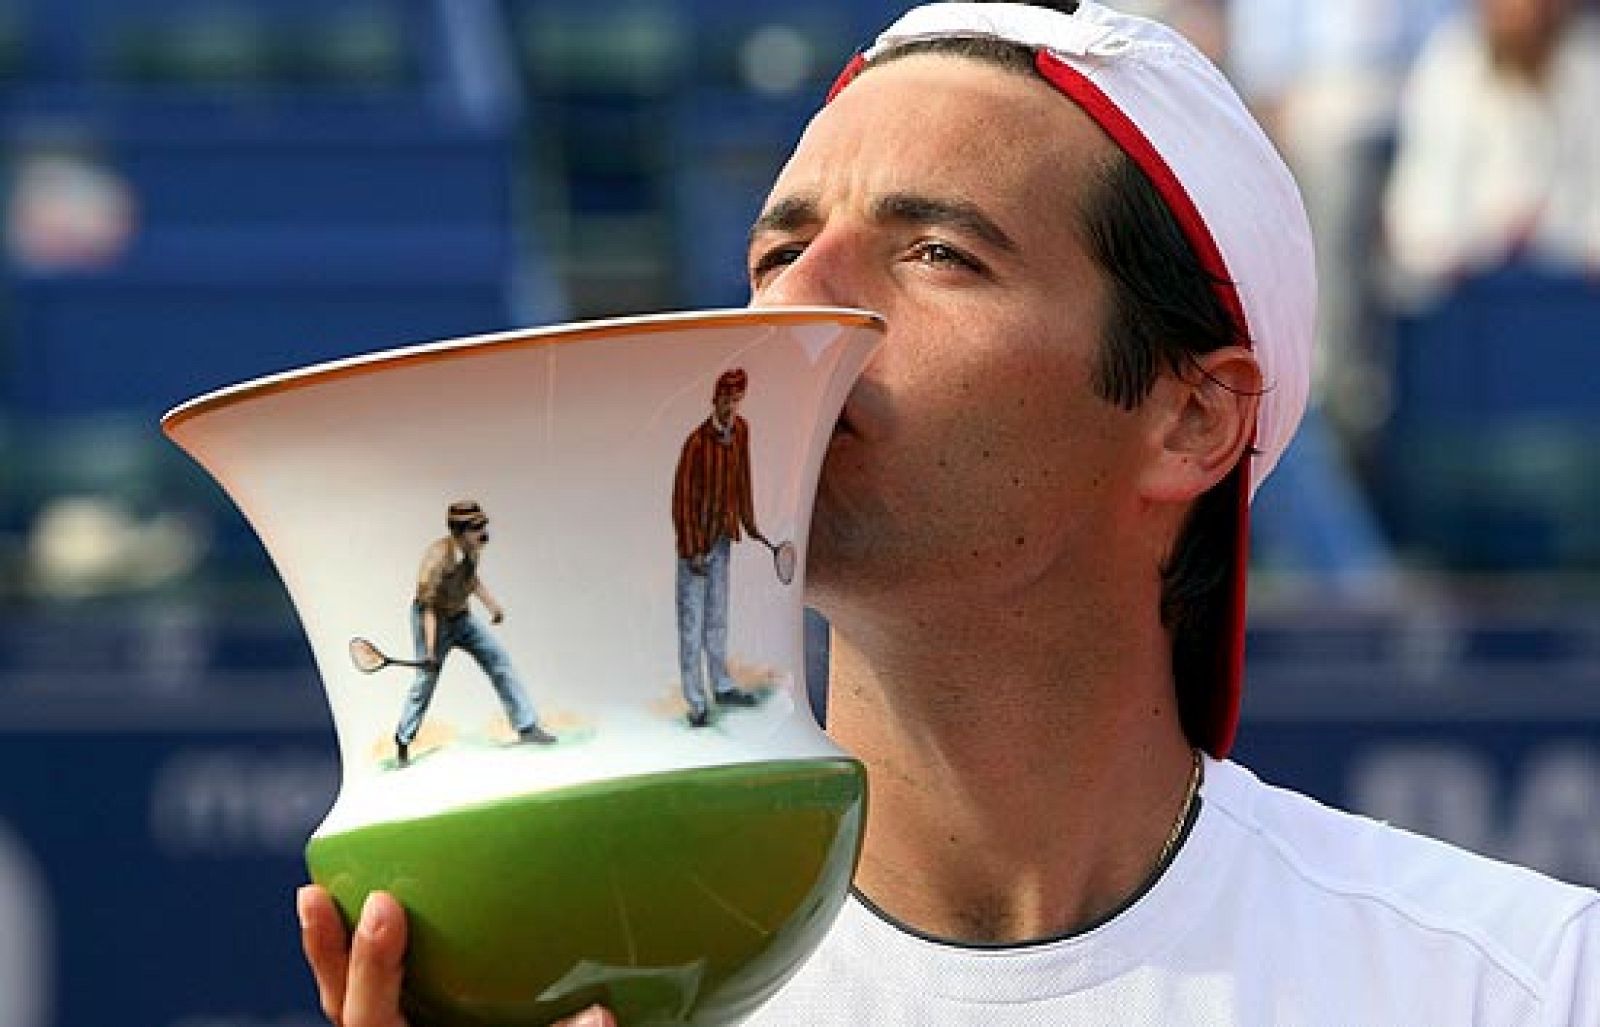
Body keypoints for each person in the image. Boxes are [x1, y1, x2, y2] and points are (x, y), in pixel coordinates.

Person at [300, 2, 1600, 1023]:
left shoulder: (1524, 986)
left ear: (1192, 417)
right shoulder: (578, 989)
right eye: (775, 252)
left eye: (937, 252)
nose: (798, 305)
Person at [1383, 0, 1600, 298]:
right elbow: (1423, 200)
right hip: (1467, 293)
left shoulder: (1588, 63)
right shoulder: (1451, 62)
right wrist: (1481, 238)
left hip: (1571, 291)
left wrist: (1554, 237)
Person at [392, 500, 554, 766]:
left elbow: (471, 580)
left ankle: (527, 727)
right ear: (458, 531)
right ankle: (403, 740)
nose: (483, 533)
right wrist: (430, 651)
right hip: (433, 620)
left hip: (461, 617)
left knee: (498, 661)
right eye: (475, 528)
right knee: (425, 681)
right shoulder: (435, 560)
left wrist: (492, 606)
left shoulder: (473, 549)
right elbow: (428, 608)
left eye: (483, 526)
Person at [672, 368, 766, 726]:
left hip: (723, 539)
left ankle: (722, 686)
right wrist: (693, 548)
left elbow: (743, 479)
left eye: (737, 399)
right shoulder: (696, 442)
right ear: (715, 399)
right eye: (726, 399)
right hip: (696, 546)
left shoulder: (741, 431)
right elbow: (682, 499)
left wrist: (749, 522)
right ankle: (696, 702)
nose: (731, 406)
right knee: (691, 624)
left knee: (717, 618)